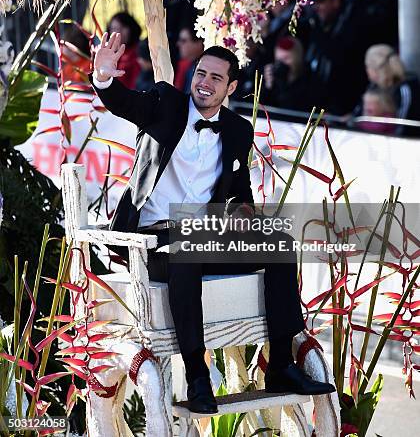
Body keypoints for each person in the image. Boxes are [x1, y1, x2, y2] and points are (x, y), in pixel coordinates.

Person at [91, 33, 335, 414]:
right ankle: (197, 376)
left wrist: (244, 212)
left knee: (280, 245)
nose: (204, 82)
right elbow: (124, 103)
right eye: (200, 73)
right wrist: (104, 76)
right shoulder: (164, 103)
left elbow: (240, 191)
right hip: (150, 239)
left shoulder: (238, 130)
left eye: (215, 78)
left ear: (231, 87)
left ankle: (283, 366)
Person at [361, 44, 420, 135]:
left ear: (375, 69)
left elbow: (403, 125)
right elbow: (358, 114)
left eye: (368, 67)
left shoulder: (405, 89)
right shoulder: (373, 87)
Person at [262, 36, 326, 112]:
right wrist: (268, 85)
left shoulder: (311, 79)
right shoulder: (274, 77)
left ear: (297, 58)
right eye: (279, 60)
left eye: (286, 58)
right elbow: (262, 107)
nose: (282, 64)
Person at [107, 12, 141, 89]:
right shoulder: (108, 53)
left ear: (131, 28)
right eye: (114, 29)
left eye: (123, 27)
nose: (119, 32)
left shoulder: (139, 52)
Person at [174, 26, 204, 93]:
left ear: (198, 44)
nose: (178, 44)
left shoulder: (203, 68)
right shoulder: (184, 65)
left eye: (183, 41)